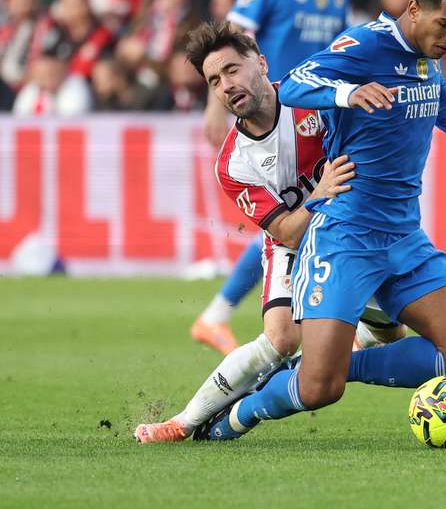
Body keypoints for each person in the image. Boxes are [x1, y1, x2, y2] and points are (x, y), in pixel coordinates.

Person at [193, 0, 446, 441]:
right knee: (318, 389)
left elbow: (439, 94)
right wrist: (348, 93)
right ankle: (239, 415)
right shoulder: (366, 43)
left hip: (405, 237)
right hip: (345, 237)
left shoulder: (427, 53)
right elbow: (297, 83)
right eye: (445, 24)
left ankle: (339, 363)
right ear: (413, 10)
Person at [134, 23, 404, 443]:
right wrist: (321, 193)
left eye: (232, 70)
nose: (226, 85)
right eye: (214, 81)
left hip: (354, 235)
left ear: (260, 63)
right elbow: (288, 232)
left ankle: (331, 352)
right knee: (281, 337)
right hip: (293, 243)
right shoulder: (232, 163)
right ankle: (183, 422)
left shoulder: (314, 99)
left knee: (392, 333)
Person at [193, 0, 350, 356]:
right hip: (270, 113)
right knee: (284, 220)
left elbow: (338, 49)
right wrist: (215, 105)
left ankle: (219, 315)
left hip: (314, 116)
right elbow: (233, 39)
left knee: (298, 215)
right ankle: (218, 313)